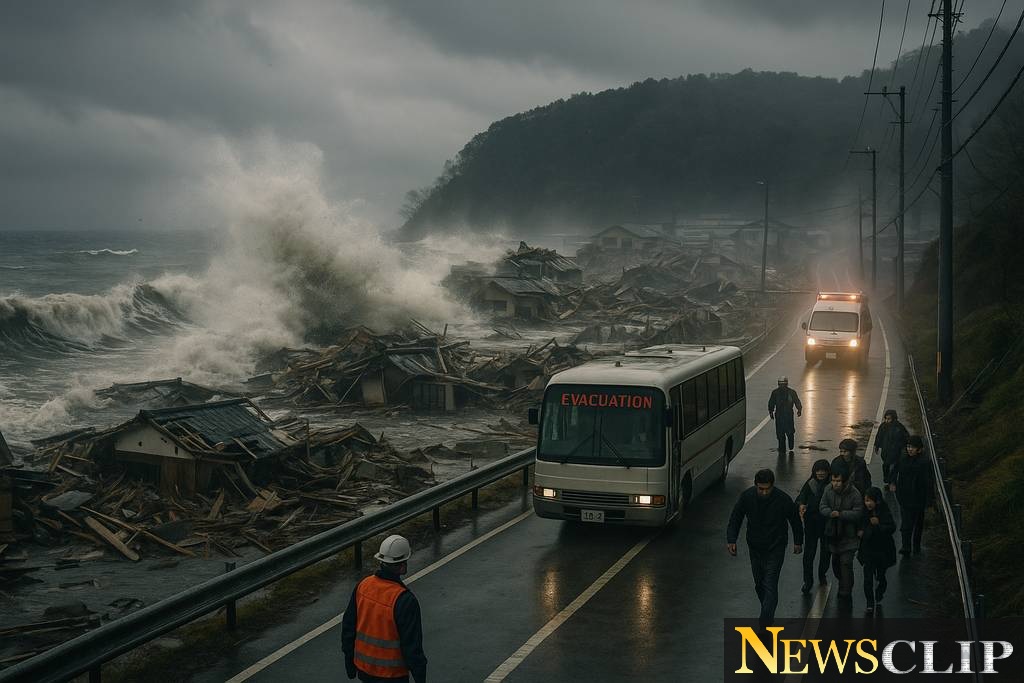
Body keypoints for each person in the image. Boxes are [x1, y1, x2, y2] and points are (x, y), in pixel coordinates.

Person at [342, 535, 428, 683]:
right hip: (392, 676)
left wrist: (350, 664)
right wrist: (420, 678)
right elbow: (412, 648)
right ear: (403, 566)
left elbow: (348, 628)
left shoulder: (363, 586)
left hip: (365, 670)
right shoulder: (404, 600)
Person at [727, 469, 803, 627]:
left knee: (770, 583)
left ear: (772, 486)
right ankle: (767, 610)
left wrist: (798, 541)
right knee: (759, 583)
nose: (764, 492)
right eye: (761, 488)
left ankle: (765, 621)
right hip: (755, 547)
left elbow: (794, 519)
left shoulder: (782, 499)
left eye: (767, 488)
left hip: (776, 546)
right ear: (756, 486)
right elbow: (736, 517)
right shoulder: (747, 497)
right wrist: (731, 539)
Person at [819, 463, 862, 605]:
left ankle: (846, 590)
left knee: (846, 563)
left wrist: (842, 514)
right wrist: (830, 513)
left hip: (849, 536)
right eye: (833, 480)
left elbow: (858, 512)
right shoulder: (828, 490)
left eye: (838, 481)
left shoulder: (854, 493)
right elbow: (822, 506)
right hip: (833, 535)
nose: (835, 484)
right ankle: (842, 581)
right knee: (836, 563)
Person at [890, 435, 933, 555]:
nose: (910, 449)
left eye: (912, 447)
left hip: (919, 497)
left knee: (918, 523)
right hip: (904, 496)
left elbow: (929, 482)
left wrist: (929, 499)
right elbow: (895, 470)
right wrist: (892, 482)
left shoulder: (924, 462)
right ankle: (906, 546)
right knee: (906, 523)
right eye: (908, 447)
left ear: (919, 449)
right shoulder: (903, 459)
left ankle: (916, 545)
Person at [857, 487, 897, 614]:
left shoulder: (884, 511)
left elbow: (891, 527)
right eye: (866, 500)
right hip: (868, 550)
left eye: (870, 501)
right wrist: (860, 531)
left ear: (877, 501)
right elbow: (859, 524)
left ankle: (880, 589)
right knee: (867, 577)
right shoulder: (863, 512)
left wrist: (879, 525)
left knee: (880, 575)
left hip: (882, 550)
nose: (867, 503)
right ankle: (870, 602)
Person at [795, 459, 832, 594]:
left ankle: (822, 574)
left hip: (827, 524)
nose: (821, 473)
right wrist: (801, 505)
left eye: (823, 471)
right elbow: (800, 498)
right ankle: (808, 581)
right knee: (809, 554)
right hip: (811, 524)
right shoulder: (810, 483)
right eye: (818, 470)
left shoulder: (832, 485)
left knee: (825, 553)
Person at [768, 377, 803, 455]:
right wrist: (799, 410)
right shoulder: (791, 392)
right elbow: (797, 401)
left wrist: (771, 412)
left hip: (784, 416)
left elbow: (771, 403)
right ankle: (785, 447)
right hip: (785, 416)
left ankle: (784, 448)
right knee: (785, 433)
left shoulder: (776, 392)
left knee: (784, 433)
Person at [874, 409, 909, 485]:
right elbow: (879, 436)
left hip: (895, 452)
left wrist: (904, 449)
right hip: (885, 451)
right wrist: (876, 445)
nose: (887, 421)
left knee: (893, 468)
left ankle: (891, 482)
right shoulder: (883, 426)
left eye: (889, 419)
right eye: (886, 418)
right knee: (886, 466)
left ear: (894, 418)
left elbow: (905, 438)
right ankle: (888, 480)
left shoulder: (899, 428)